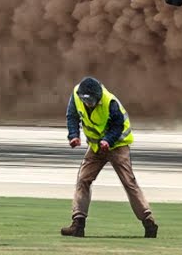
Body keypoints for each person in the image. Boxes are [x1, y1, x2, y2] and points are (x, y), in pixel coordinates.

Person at [60, 76, 158, 238]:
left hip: (118, 145)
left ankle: (148, 221)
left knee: (129, 182)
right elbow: (72, 116)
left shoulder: (110, 102)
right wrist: (73, 135)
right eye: (87, 100)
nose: (89, 104)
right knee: (83, 179)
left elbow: (118, 124)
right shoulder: (76, 95)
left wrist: (108, 140)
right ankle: (78, 224)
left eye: (92, 101)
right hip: (96, 147)